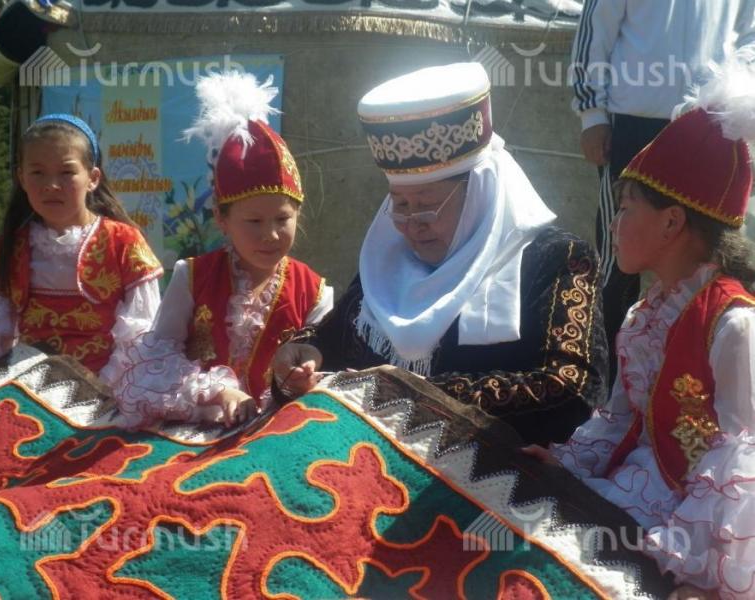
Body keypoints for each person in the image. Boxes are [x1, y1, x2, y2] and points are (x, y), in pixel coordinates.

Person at [271, 63, 609, 447]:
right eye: (400, 205)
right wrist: (303, 354)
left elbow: (571, 390)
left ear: (479, 193)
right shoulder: (388, 259)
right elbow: (333, 338)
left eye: (428, 205)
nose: (412, 224)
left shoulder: (557, 260)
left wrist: (406, 394)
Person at [525, 55, 755, 599]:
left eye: (626, 208)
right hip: (632, 493)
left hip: (689, 527)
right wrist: (565, 467)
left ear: (672, 221)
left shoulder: (734, 327)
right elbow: (622, 418)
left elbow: (744, 463)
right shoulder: (644, 314)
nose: (615, 222)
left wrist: (701, 575)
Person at [113, 72, 333, 429]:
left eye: (282, 219)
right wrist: (217, 393)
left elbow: (326, 365)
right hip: (196, 428)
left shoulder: (315, 291)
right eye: (254, 221)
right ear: (222, 219)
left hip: (274, 435)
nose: (270, 235)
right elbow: (157, 358)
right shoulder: (192, 277)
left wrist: (303, 377)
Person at [571, 0, 755, 373]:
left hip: (711, 126)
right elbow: (596, 30)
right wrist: (592, 114)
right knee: (620, 258)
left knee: (713, 251)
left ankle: (704, 376)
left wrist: (733, 95)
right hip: (635, 121)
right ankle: (604, 380)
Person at [0, 114, 163, 393]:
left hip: (110, 389)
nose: (51, 185)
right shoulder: (10, 249)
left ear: (93, 178)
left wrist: (97, 393)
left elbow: (142, 337)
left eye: (66, 172)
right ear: (22, 178)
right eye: (37, 173)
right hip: (30, 392)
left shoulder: (124, 242)